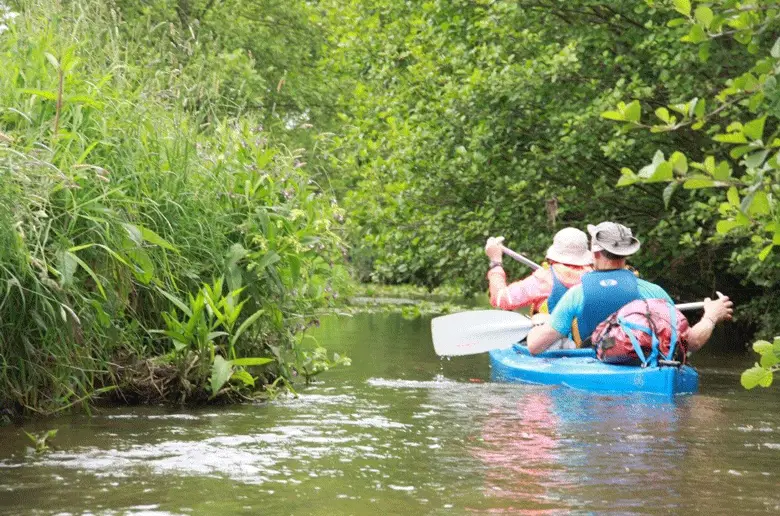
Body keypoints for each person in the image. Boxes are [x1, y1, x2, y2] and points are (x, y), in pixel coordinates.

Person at [527, 222, 734, 355]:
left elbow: (535, 347)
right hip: (642, 367)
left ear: (595, 253)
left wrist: (540, 323)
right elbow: (691, 342)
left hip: (591, 367)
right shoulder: (654, 293)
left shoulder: (577, 294)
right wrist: (711, 316)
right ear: (627, 253)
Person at [484, 227, 592, 314]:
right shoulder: (595, 276)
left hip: (550, 339)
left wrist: (496, 262)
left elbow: (500, 299)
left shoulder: (543, 280)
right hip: (588, 340)